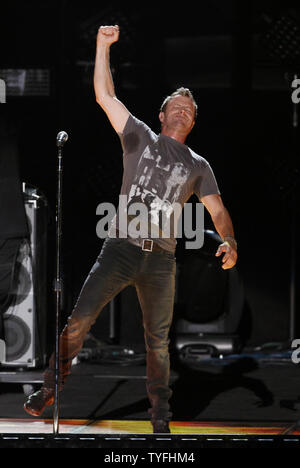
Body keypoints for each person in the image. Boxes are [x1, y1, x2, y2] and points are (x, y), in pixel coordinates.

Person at [24, 25, 238, 433]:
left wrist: (229, 239)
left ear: (194, 122)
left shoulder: (198, 164)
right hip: (120, 248)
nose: (182, 111)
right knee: (79, 321)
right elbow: (106, 96)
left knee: (157, 342)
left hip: (160, 260)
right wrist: (103, 46)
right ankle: (49, 387)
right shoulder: (140, 136)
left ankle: (160, 417)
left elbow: (218, 209)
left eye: (189, 110)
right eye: (175, 106)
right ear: (162, 116)